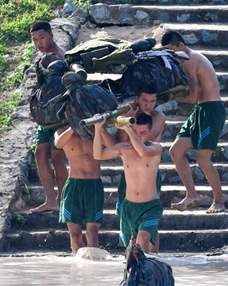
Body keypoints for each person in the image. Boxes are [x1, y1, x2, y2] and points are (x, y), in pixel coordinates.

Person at [160, 30, 226, 213]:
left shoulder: (191, 61)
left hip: (211, 111)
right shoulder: (185, 60)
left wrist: (166, 97)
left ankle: (219, 201)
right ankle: (192, 195)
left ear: (181, 46)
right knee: (175, 150)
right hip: (200, 110)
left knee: (203, 159)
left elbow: (191, 97)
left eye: (172, 52)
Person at [94, 112, 163, 253]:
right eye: (135, 132)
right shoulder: (124, 148)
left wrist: (128, 130)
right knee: (131, 249)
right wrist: (97, 128)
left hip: (150, 206)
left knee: (142, 240)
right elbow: (98, 155)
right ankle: (137, 272)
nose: (138, 136)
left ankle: (146, 270)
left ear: (151, 132)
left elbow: (143, 152)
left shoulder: (156, 148)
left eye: (142, 133)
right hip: (129, 206)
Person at [28, 21, 67, 214]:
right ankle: (50, 200)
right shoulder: (43, 57)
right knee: (40, 154)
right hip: (45, 117)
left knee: (57, 158)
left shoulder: (60, 56)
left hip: (59, 118)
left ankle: (61, 200)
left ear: (51, 35)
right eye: (35, 39)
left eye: (41, 37)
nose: (38, 42)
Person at [54, 124, 104, 253]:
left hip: (93, 186)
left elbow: (112, 144)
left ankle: (93, 268)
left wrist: (99, 128)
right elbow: (58, 143)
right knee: (75, 235)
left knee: (92, 233)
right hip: (74, 185)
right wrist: (74, 126)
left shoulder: (94, 130)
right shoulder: (61, 130)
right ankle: (78, 267)